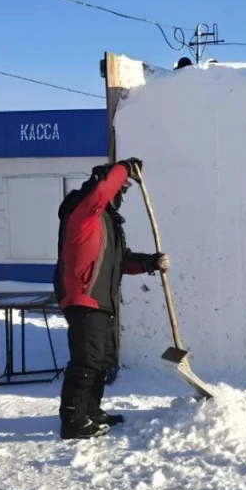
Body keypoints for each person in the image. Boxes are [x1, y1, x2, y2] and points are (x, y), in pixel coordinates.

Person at [54, 158, 169, 440]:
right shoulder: (83, 211)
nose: (122, 193)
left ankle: (90, 411)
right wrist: (124, 168)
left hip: (103, 300)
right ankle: (73, 420)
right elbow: (99, 193)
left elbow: (121, 262)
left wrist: (149, 263)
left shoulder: (106, 222)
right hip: (83, 296)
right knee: (87, 360)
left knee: (102, 359)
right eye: (121, 187)